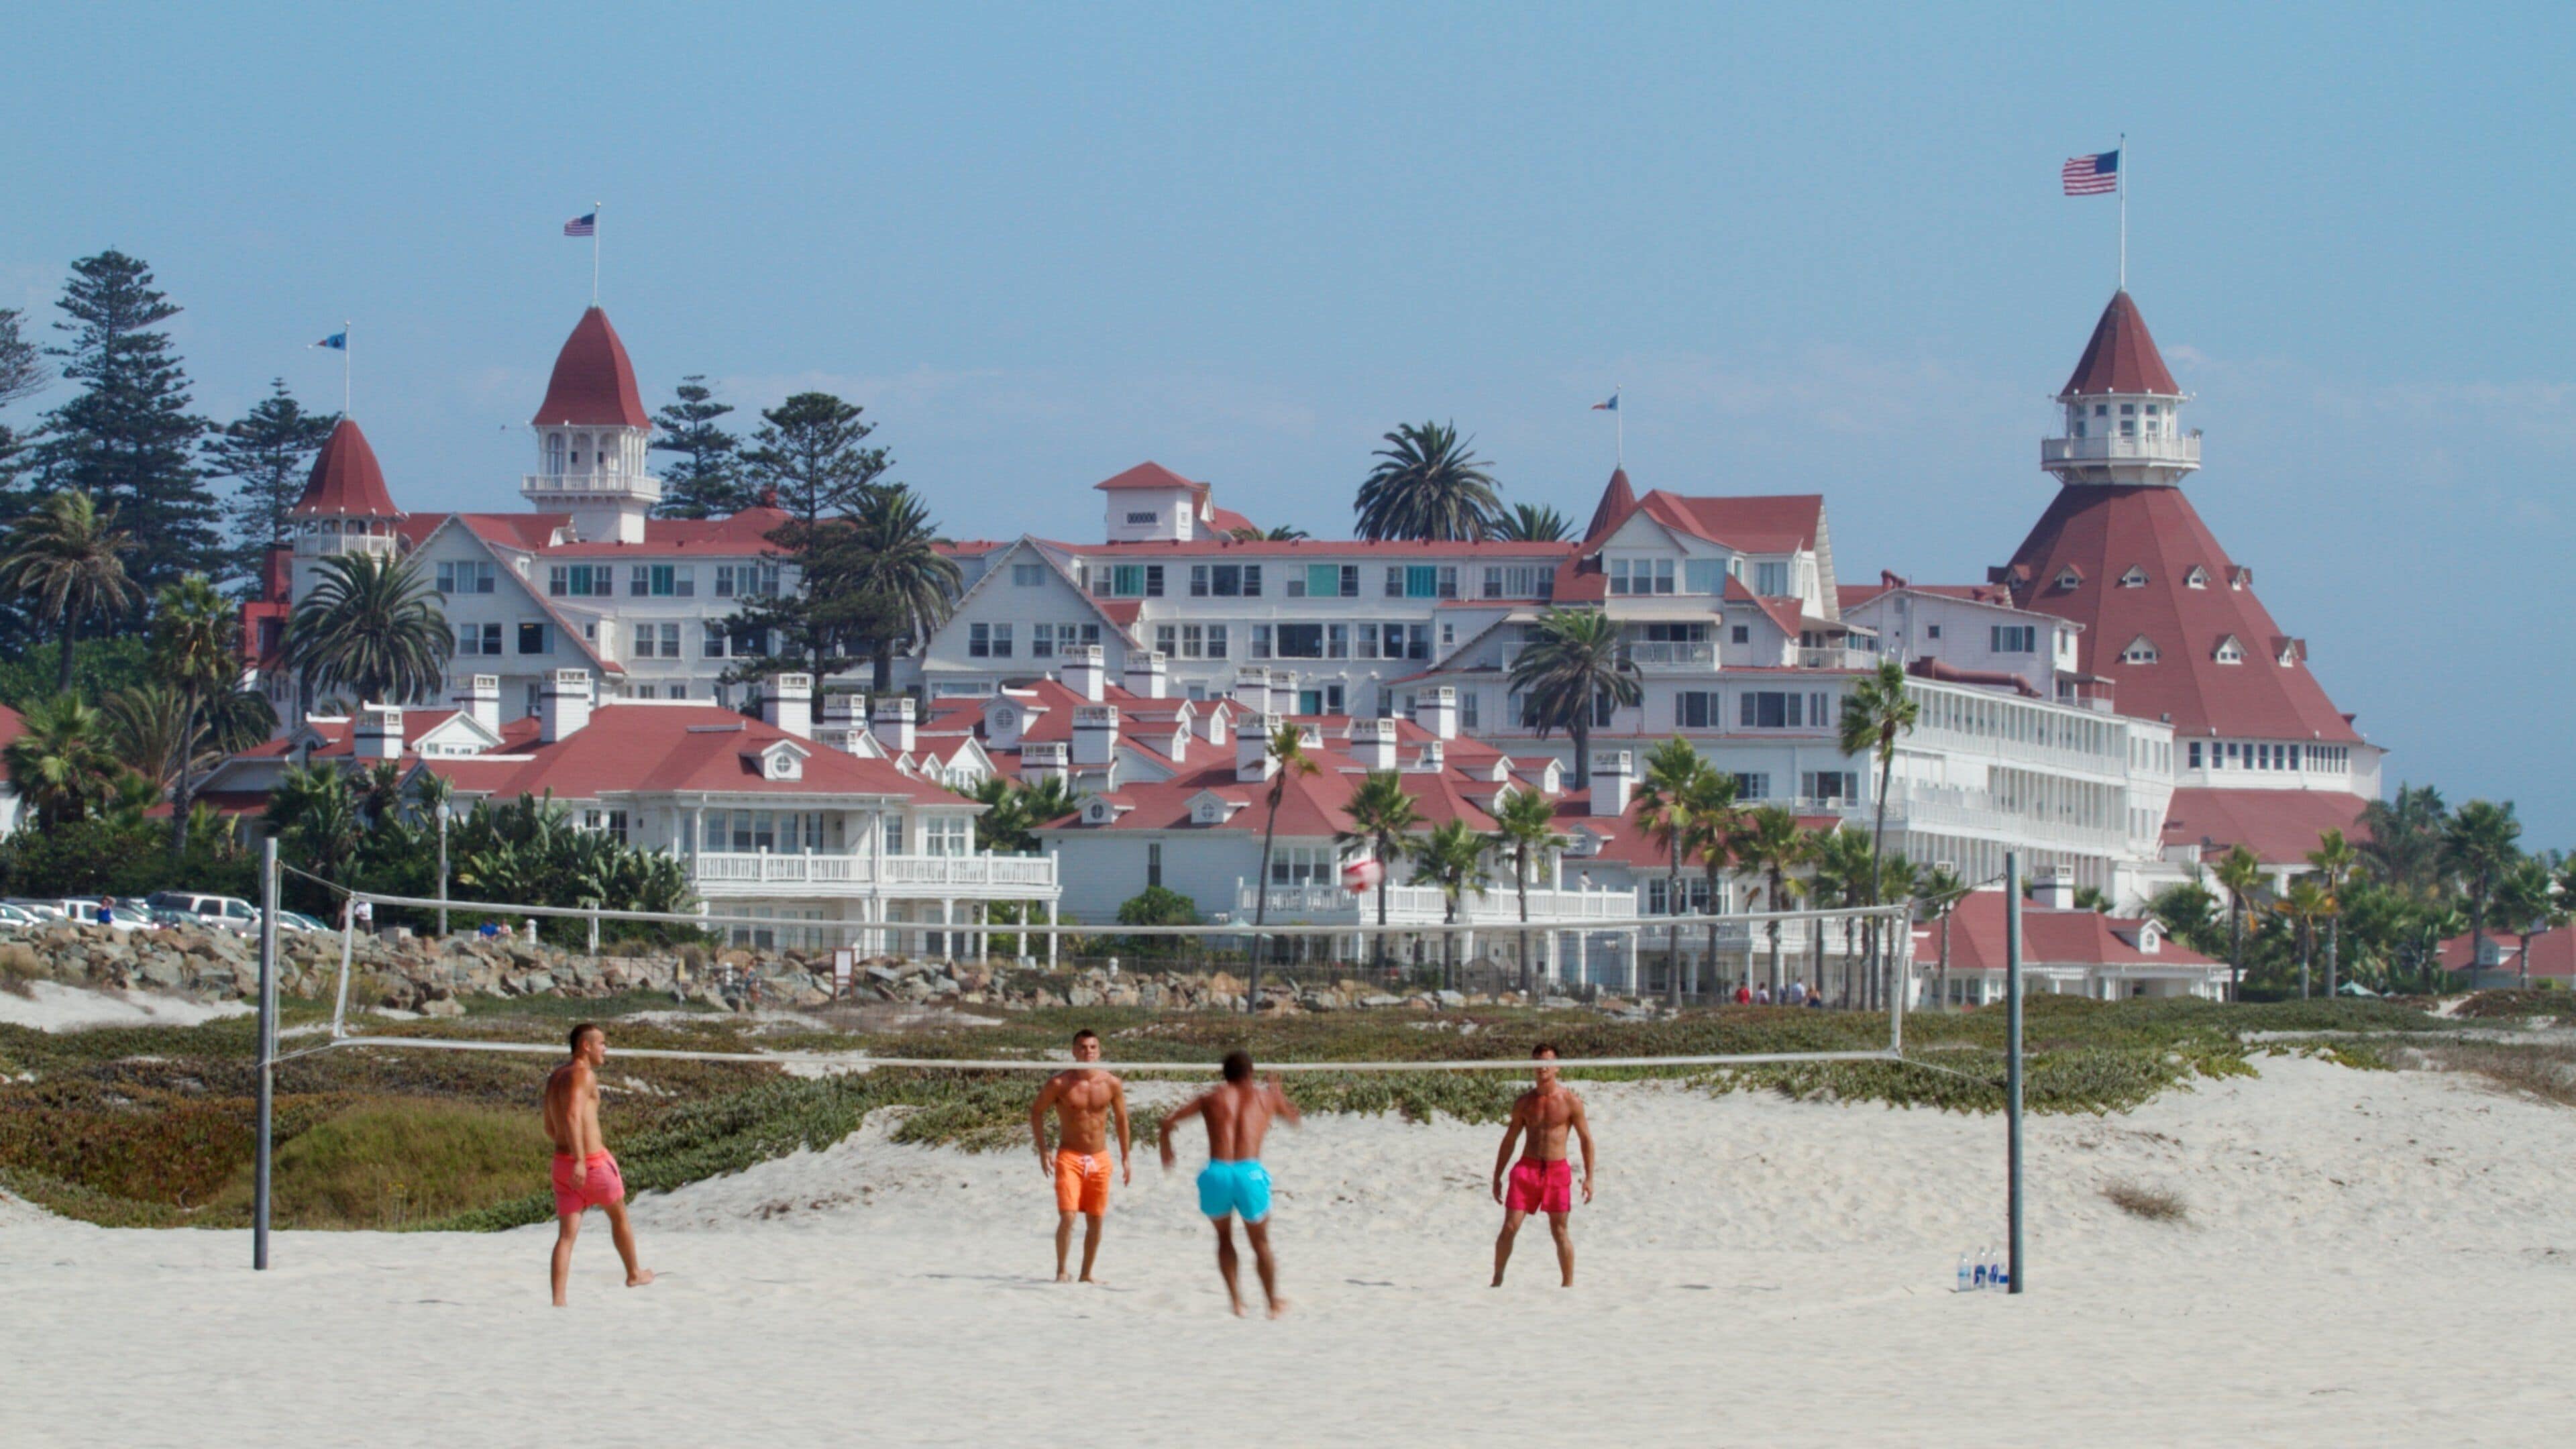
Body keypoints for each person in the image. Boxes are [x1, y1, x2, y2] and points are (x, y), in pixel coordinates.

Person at [1160, 1049, 1301, 1318]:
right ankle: (1272, 1303)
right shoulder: (1266, 1097)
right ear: (1252, 1073)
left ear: (1224, 1074)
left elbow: (1168, 1121)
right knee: (1260, 1242)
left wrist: (1165, 1146)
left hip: (1217, 1172)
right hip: (1249, 1172)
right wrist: (1279, 1096)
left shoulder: (1211, 1097)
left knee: (1224, 1237)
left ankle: (1236, 1301)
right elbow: (1294, 1120)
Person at [543, 1022, 653, 1305]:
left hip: (561, 1164)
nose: (605, 1049)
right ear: (586, 1046)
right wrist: (581, 1159)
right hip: (590, 1164)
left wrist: (569, 1154)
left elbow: (550, 1127)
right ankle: (634, 1273)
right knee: (619, 1217)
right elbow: (571, 1116)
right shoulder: (584, 1074)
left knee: (566, 1237)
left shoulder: (556, 1076)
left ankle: (558, 1300)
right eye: (602, 1043)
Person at [1028, 1028, 1132, 1283]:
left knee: (1096, 1219)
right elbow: (1036, 1112)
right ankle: (1062, 1270)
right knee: (1068, 1215)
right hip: (1069, 1156)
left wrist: (1126, 1157)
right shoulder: (1059, 1083)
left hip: (1100, 1157)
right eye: (1083, 1048)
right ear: (1074, 1052)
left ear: (1099, 1051)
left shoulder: (1111, 1083)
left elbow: (1121, 1119)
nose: (1088, 1052)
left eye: (1093, 1047)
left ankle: (1086, 1274)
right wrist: (1044, 1150)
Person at [1489, 1043, 1597, 1287]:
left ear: (1557, 1067)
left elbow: (1586, 1140)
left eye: (1548, 1062)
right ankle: (1497, 1279)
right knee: (1509, 1226)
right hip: (1527, 1169)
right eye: (1538, 1062)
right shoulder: (1525, 1102)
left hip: (1557, 1170)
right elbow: (1510, 1140)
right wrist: (1497, 1176)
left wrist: (1590, 1177)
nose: (1543, 1068)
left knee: (1560, 1231)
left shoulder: (1571, 1101)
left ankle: (1568, 1284)